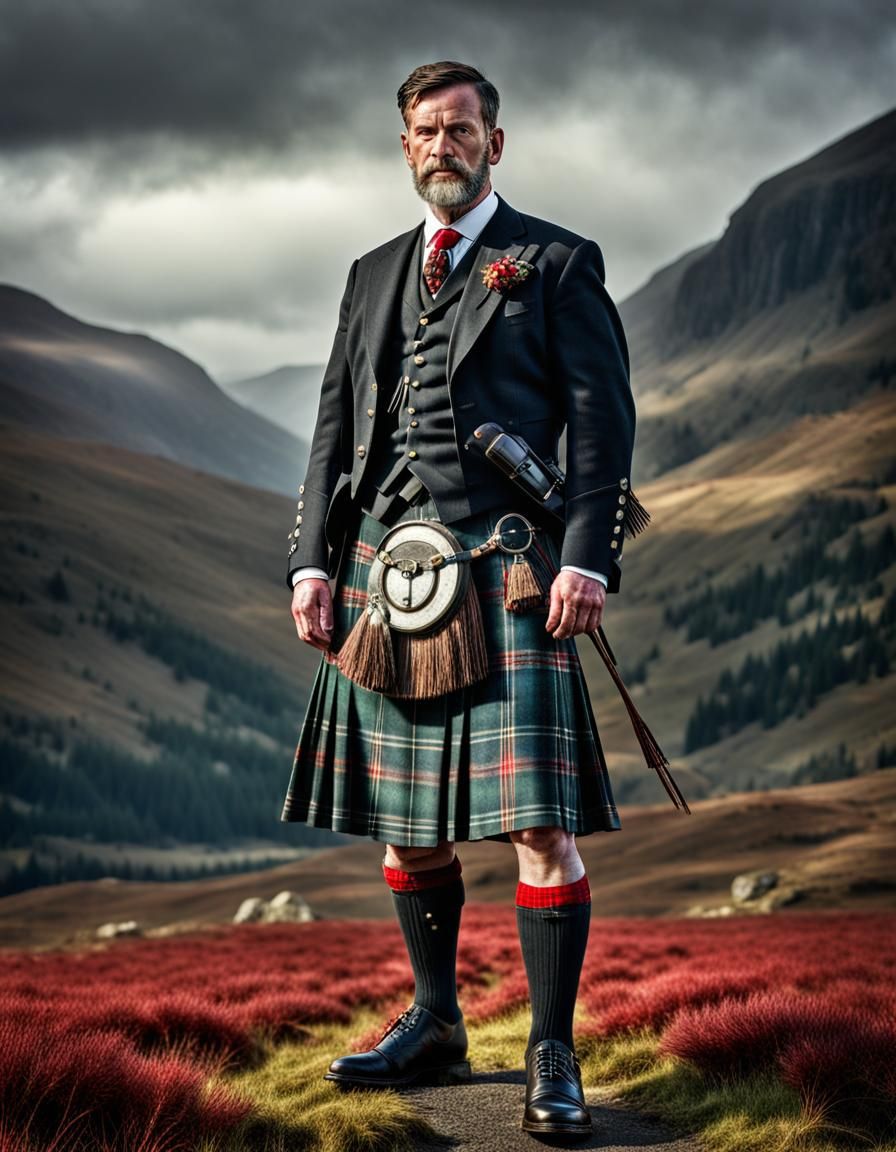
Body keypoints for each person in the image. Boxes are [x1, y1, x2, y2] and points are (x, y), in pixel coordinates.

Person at [281, 60, 635, 1140]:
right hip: (385, 573)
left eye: (463, 129)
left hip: (509, 566)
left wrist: (589, 559)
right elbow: (336, 426)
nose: (445, 145)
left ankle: (549, 1052)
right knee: (405, 820)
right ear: (404, 147)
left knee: (537, 825)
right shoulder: (370, 271)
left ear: (495, 141)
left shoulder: (555, 263)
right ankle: (436, 1019)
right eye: (426, 131)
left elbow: (600, 426)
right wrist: (310, 561)